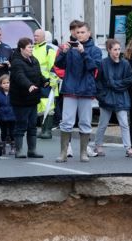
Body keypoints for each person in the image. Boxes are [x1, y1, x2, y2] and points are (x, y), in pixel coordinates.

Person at [54, 20, 101, 163]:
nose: (79, 35)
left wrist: (83, 52)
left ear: (89, 33)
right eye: (77, 32)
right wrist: (63, 52)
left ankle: (83, 153)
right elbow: (58, 65)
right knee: (67, 122)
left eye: (82, 32)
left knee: (85, 122)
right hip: (70, 88)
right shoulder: (69, 47)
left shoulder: (95, 50)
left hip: (86, 89)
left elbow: (94, 67)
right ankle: (63, 153)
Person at [92, 38, 132, 158]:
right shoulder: (102, 63)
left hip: (121, 97)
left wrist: (114, 84)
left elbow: (129, 80)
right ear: (109, 50)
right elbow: (98, 82)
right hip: (107, 98)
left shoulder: (125, 64)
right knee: (103, 123)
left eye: (119, 49)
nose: (117, 52)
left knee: (124, 123)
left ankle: (128, 147)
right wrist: (101, 97)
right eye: (115, 49)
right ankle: (98, 144)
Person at [9, 36, 48, 159]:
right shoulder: (16, 62)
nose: (31, 49)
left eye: (32, 47)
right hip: (20, 99)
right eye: (29, 47)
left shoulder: (34, 60)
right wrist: (29, 85)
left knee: (32, 126)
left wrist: (45, 81)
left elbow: (38, 74)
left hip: (33, 98)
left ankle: (32, 150)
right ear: (21, 49)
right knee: (21, 125)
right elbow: (20, 76)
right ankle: (19, 150)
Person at [32, 28, 57, 139]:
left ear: (43, 37)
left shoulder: (48, 49)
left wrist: (52, 82)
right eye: (34, 35)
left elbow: (53, 67)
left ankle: (47, 131)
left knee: (48, 107)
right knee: (41, 107)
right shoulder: (33, 49)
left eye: (37, 36)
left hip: (46, 83)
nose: (35, 37)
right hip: (36, 82)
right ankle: (43, 130)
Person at [0, 73, 15, 155]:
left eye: (8, 83)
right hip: (2, 116)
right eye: (4, 83)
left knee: (12, 132)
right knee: (3, 132)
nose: (6, 85)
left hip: (12, 116)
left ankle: (13, 147)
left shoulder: (14, 94)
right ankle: (2, 147)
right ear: (1, 85)